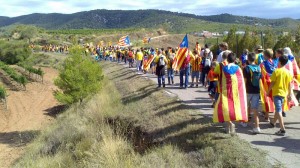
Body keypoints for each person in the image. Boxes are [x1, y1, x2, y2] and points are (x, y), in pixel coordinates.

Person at [213, 52, 248, 134]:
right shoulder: (239, 68)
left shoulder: (225, 68)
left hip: (226, 91)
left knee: (224, 108)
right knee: (232, 108)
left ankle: (230, 125)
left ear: (227, 60)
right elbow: (240, 81)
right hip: (236, 92)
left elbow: (223, 80)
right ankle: (228, 128)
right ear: (235, 60)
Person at [267, 55, 293, 136]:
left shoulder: (276, 71)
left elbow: (272, 83)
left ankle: (282, 129)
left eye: (278, 61)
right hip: (284, 94)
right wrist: (289, 94)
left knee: (278, 111)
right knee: (278, 109)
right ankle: (273, 123)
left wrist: (268, 91)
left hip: (277, 93)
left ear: (280, 62)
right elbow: (289, 85)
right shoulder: (288, 72)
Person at [243, 52, 262, 134]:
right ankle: (257, 127)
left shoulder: (246, 68)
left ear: (248, 59)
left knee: (246, 106)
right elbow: (260, 79)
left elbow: (245, 80)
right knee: (255, 109)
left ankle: (245, 122)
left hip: (248, 90)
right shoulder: (259, 68)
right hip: (256, 90)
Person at [259, 49, 277, 121]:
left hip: (266, 83)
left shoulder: (262, 64)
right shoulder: (275, 62)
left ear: (265, 55)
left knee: (266, 98)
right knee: (273, 98)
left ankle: (266, 116)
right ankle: (274, 114)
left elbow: (261, 74)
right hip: (274, 82)